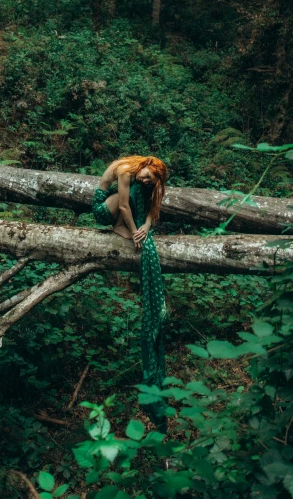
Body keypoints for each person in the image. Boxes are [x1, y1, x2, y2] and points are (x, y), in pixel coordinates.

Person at [92, 155, 169, 432]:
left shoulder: (149, 183)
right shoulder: (127, 170)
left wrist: (147, 226)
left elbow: (152, 208)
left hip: (128, 213)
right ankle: (121, 229)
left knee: (144, 195)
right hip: (106, 207)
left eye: (151, 179)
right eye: (147, 175)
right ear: (145, 164)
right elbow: (123, 204)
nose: (146, 179)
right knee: (131, 195)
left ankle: (126, 229)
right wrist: (136, 232)